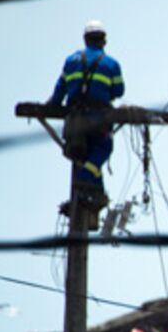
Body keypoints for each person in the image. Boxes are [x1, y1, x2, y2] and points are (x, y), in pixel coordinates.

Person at [49, 20, 125, 209]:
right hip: (99, 120)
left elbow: (59, 92)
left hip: (75, 121)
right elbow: (118, 91)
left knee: (86, 157)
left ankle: (94, 194)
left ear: (85, 40)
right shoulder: (111, 64)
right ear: (103, 41)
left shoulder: (71, 61)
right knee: (102, 150)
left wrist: (50, 106)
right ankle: (84, 183)